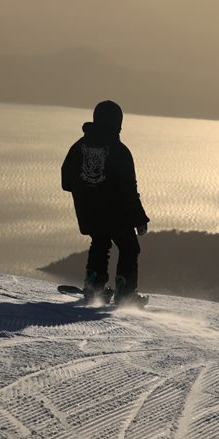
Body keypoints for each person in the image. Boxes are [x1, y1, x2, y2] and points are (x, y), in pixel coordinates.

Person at [61, 100, 149, 306]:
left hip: (89, 213)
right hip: (116, 214)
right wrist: (140, 220)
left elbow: (66, 182)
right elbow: (129, 189)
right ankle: (125, 292)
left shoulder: (77, 147)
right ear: (117, 122)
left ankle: (94, 286)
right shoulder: (119, 151)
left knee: (100, 242)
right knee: (129, 247)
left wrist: (88, 190)